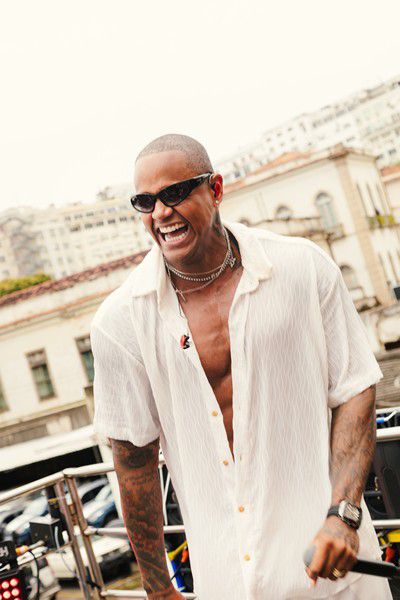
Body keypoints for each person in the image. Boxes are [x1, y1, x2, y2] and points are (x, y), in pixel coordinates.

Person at [91, 134, 392, 599]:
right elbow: (133, 460)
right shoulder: (119, 323)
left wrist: (344, 514)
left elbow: (355, 390)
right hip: (226, 581)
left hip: (334, 573)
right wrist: (158, 588)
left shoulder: (303, 268)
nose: (161, 212)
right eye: (145, 202)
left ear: (215, 189)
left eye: (175, 193)